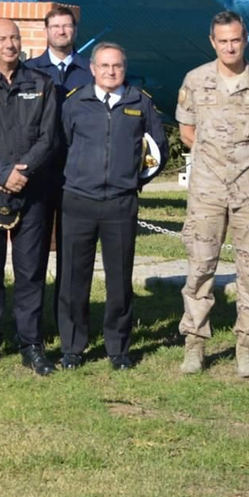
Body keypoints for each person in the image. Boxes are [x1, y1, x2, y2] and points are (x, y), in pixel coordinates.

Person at [175, 11, 249, 378]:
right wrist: (218, 159)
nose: (229, 46)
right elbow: (187, 133)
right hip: (208, 190)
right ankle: (194, 344)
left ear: (245, 40)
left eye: (236, 40)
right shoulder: (195, 81)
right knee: (200, 268)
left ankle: (247, 347)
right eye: (223, 40)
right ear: (213, 42)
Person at [0, 18, 62, 375]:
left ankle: (31, 342)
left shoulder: (42, 83)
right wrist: (3, 174)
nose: (10, 44)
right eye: (2, 38)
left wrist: (23, 172)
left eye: (15, 37)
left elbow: (49, 137)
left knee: (31, 269)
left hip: (33, 189)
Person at [57, 42, 165, 370]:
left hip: (120, 203)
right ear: (92, 69)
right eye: (104, 66)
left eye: (116, 66)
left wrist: (132, 182)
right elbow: (61, 146)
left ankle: (118, 348)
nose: (110, 71)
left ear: (124, 68)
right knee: (74, 278)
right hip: (78, 201)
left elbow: (157, 151)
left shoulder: (140, 103)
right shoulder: (74, 103)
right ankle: (73, 347)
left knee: (119, 280)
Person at [25, 4, 94, 338]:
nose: (62, 32)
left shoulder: (90, 72)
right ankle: (30, 330)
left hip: (77, 177)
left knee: (72, 258)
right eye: (56, 27)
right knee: (33, 255)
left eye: (67, 26)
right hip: (38, 176)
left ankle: (68, 329)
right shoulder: (29, 71)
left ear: (75, 30)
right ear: (46, 31)